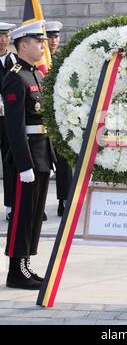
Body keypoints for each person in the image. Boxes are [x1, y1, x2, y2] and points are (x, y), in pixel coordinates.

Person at [3, 20, 56, 290]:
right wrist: (24, 165)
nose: (42, 46)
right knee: (22, 215)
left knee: (35, 215)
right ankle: (16, 272)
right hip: (26, 159)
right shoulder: (14, 77)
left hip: (41, 154)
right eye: (38, 42)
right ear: (23, 45)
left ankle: (25, 265)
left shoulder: (37, 74)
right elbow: (14, 126)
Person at [45, 21, 72, 217]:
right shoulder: (39, 62)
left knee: (63, 163)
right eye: (50, 37)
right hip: (41, 118)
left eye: (56, 37)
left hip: (61, 118)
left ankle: (64, 200)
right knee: (44, 164)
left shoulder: (65, 59)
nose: (53, 41)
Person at [0, 22, 17, 221]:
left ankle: (10, 205)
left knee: (10, 162)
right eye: (0, 35)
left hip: (8, 120)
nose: (3, 39)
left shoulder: (15, 61)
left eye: (5, 35)